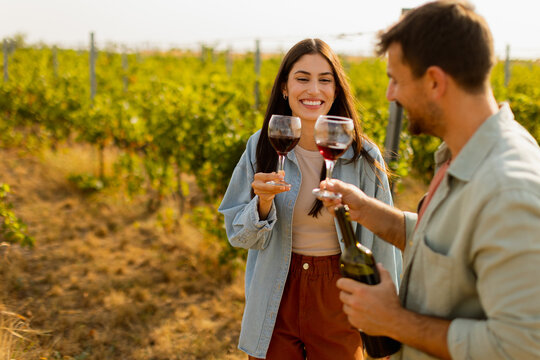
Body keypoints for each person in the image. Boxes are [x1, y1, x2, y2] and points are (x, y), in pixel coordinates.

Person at [319, 1, 540, 359]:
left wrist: (393, 321)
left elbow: (521, 347)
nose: (390, 94)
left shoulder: (507, 189)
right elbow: (446, 248)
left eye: (395, 79)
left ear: (435, 81)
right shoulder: (461, 155)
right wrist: (365, 209)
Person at [218, 38, 402, 359]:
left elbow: (383, 245)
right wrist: (261, 204)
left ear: (336, 90)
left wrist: (385, 322)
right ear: (285, 88)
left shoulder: (362, 156)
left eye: (325, 80)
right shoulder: (260, 146)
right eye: (302, 78)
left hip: (340, 291)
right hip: (276, 287)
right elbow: (239, 235)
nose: (313, 90)